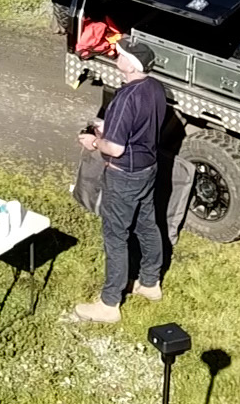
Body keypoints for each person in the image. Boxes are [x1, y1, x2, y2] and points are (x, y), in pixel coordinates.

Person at [71, 39, 168, 323]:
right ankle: (150, 283)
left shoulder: (125, 98)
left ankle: (109, 304)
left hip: (123, 175)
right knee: (147, 224)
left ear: (131, 64)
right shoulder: (154, 88)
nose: (117, 55)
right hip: (147, 169)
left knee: (115, 236)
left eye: (122, 54)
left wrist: (94, 140)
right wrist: (108, 127)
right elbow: (140, 125)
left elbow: (115, 148)